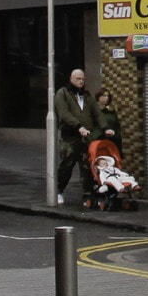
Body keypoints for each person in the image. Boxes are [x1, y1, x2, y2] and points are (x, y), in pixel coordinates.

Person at [53, 68, 97, 205]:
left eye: (83, 79)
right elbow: (64, 113)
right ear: (71, 79)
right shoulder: (63, 93)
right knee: (66, 165)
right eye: (78, 79)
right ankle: (58, 190)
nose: (81, 81)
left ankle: (87, 195)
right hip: (70, 137)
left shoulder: (86, 95)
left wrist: (105, 127)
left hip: (85, 137)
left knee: (87, 166)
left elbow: (96, 112)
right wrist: (78, 126)